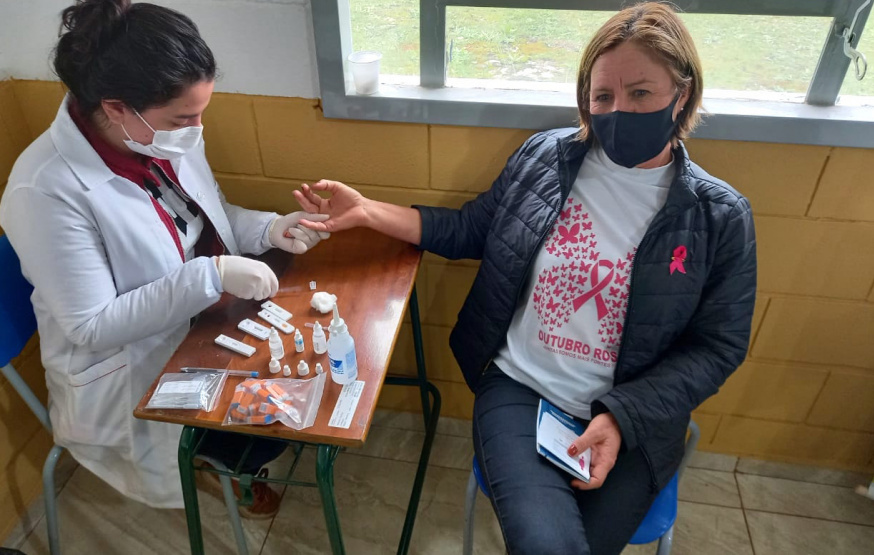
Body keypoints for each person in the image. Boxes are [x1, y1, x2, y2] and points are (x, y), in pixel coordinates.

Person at [293, 3, 756, 553]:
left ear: (682, 95)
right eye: (602, 96)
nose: (618, 111)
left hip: (635, 415)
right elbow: (470, 230)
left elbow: (718, 345)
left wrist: (622, 417)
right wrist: (368, 211)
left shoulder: (719, 215)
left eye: (640, 93)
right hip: (521, 389)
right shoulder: (544, 158)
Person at [0, 0, 327, 515]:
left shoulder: (158, 137)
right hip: (131, 367)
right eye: (184, 117)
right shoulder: (44, 191)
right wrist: (211, 275)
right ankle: (225, 472)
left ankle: (238, 465)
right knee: (260, 433)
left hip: (199, 322)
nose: (196, 129)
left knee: (298, 388)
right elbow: (92, 325)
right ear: (116, 108)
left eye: (199, 112)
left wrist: (268, 228)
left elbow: (200, 215)